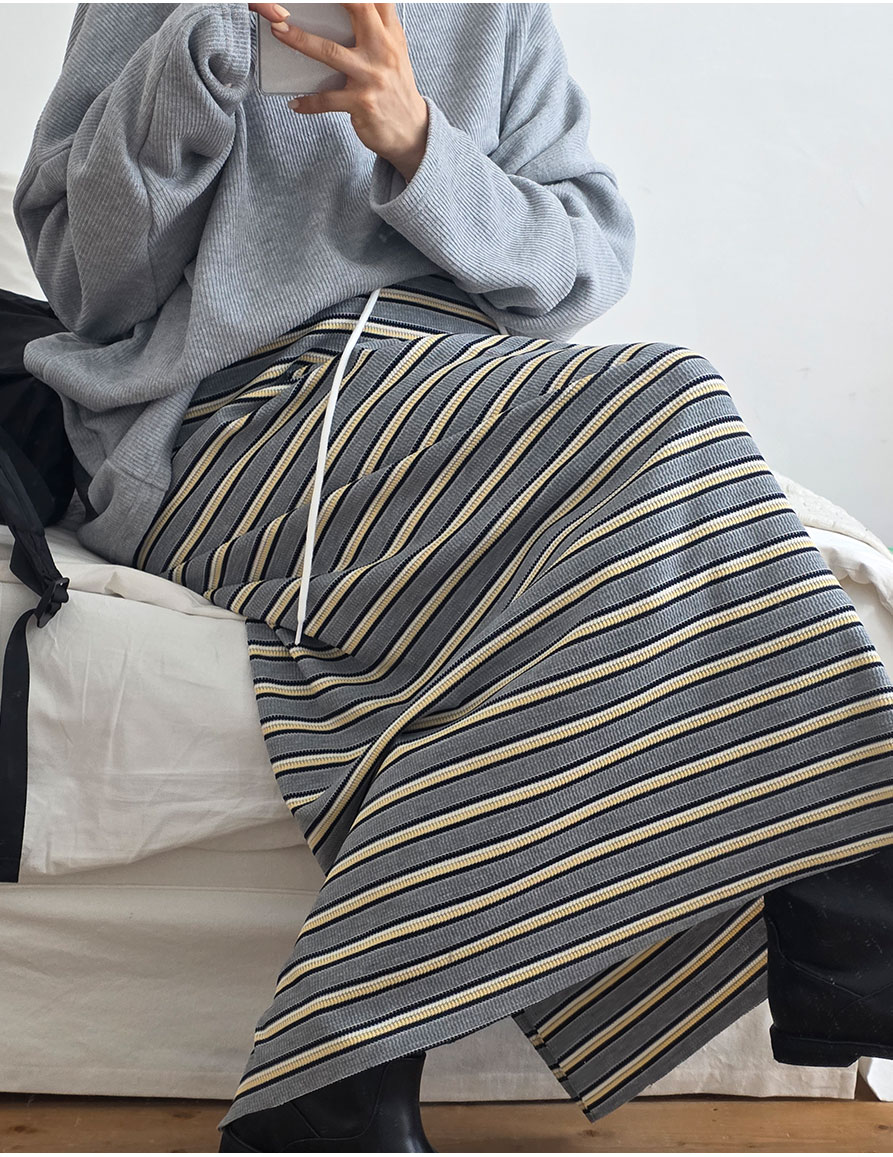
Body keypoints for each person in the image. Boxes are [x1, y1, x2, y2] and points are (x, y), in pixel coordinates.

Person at [13, 3, 893, 1152]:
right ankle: (849, 892)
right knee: (670, 403)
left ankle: (332, 1096)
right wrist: (192, 63)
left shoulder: (495, 16)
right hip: (232, 425)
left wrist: (419, 143)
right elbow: (89, 287)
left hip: (464, 417)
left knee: (658, 461)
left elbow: (582, 261)